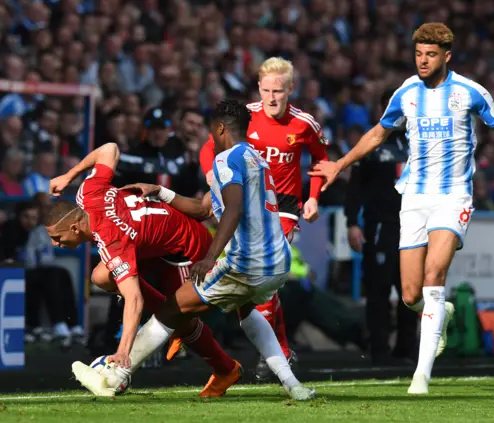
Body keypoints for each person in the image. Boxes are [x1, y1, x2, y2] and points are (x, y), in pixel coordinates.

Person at [309, 23, 494, 394]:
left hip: (454, 196)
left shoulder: (470, 91)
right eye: (419, 54)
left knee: (434, 275)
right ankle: (441, 313)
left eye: (431, 55)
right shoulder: (406, 92)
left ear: (447, 56)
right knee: (409, 295)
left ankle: (420, 376)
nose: (423, 61)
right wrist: (339, 164)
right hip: (413, 198)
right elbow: (378, 133)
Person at [72, 100, 316, 401]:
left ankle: (116, 373)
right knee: (248, 311)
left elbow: (233, 209)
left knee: (170, 309)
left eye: (211, 129)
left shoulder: (226, 160)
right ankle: (293, 385)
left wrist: (210, 257)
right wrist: (160, 191)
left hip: (247, 263)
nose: (208, 135)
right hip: (278, 263)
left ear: (221, 128)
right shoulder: (256, 157)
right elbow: (203, 209)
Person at [46, 142, 241, 398]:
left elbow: (135, 299)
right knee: (101, 276)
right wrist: (69, 176)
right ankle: (174, 323)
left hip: (187, 250)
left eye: (58, 238)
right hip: (152, 244)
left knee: (175, 316)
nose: (55, 244)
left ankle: (226, 368)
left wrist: (123, 351)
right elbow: (110, 148)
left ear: (75, 229)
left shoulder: (112, 241)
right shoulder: (88, 192)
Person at [199, 57, 329, 380]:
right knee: (265, 286)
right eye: (267, 90)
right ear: (259, 87)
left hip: (282, 207)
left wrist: (313, 196)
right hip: (246, 206)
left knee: (264, 273)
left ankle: (268, 358)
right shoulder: (246, 118)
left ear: (290, 89)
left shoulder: (304, 124)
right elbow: (208, 148)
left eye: (279, 91)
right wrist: (209, 175)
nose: (272, 98)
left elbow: (321, 158)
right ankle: (281, 351)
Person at [344, 90, 421, 365]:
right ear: (383, 108)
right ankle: (378, 350)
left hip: (414, 228)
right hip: (380, 228)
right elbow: (355, 186)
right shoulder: (372, 141)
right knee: (378, 290)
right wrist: (352, 222)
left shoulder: (420, 142)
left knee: (411, 290)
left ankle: (406, 349)